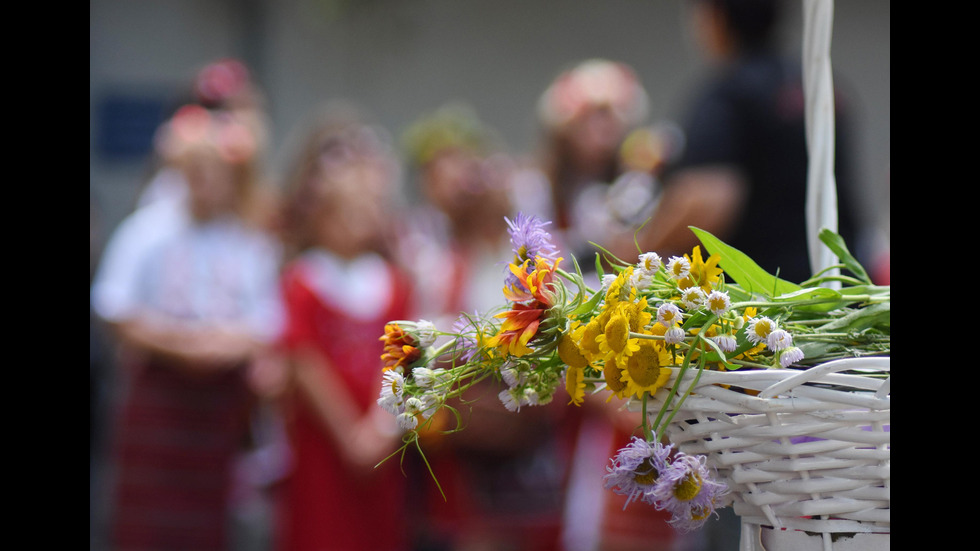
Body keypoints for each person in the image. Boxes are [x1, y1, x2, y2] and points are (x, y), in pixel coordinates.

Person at [90, 103, 285, 551]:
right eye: (196, 168)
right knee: (147, 525)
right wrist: (181, 346)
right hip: (159, 398)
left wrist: (219, 347)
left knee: (208, 525)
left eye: (216, 170)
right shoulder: (146, 231)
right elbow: (115, 309)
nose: (205, 180)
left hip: (217, 406)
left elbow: (266, 323)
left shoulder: (249, 242)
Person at [397, 103, 570, 551]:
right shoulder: (431, 261)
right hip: (461, 450)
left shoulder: (538, 263)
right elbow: (411, 349)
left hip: (526, 443)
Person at [636, 0, 863, 285]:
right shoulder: (824, 87)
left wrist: (641, 253)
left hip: (766, 302)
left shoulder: (730, 93)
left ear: (715, 18)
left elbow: (707, 198)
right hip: (838, 285)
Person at [273, 105, 414, 551]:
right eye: (342, 213)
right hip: (322, 445)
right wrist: (350, 436)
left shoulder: (394, 283)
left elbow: (402, 359)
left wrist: (379, 427)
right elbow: (304, 362)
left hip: (380, 446)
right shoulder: (303, 279)